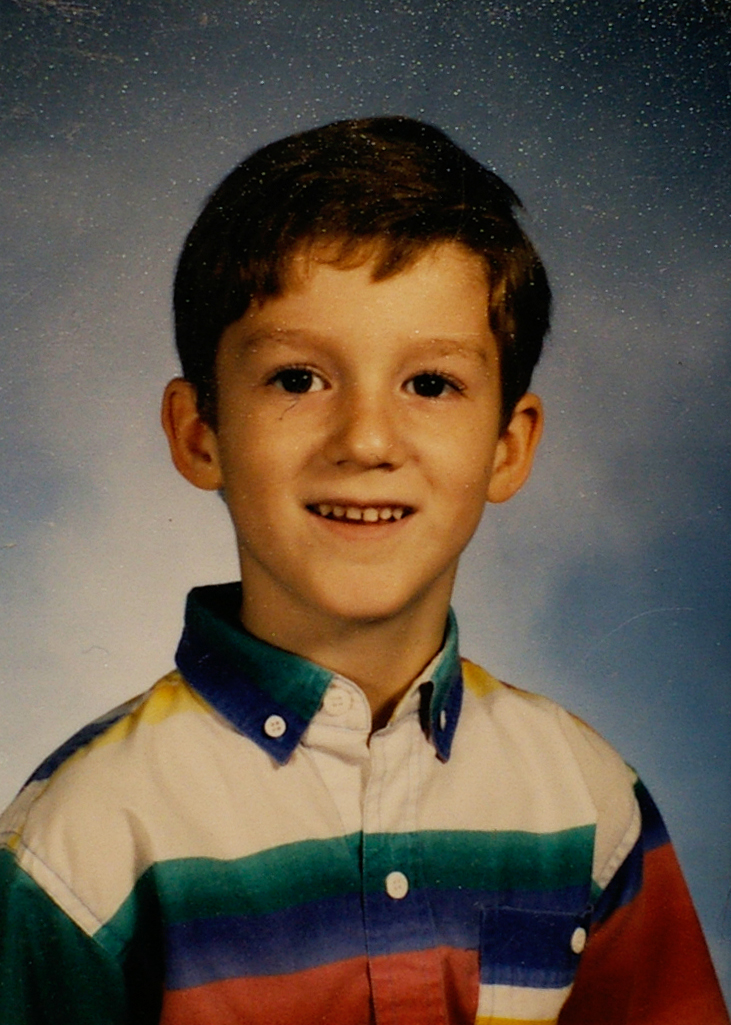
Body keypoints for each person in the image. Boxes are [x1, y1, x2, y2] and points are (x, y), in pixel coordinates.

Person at [0, 117, 727, 1025]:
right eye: (298, 378)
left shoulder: (586, 802)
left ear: (509, 445)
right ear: (200, 432)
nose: (366, 441)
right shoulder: (88, 838)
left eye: (429, 384)